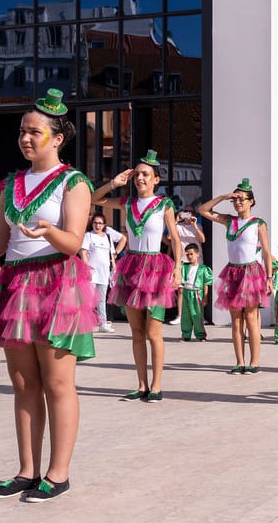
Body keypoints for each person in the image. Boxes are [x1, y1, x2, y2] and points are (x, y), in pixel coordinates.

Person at [0, 88, 98, 503]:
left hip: (58, 283)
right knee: (23, 382)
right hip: (17, 285)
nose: (26, 138)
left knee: (58, 382)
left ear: (58, 137)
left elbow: (74, 242)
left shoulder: (73, 182)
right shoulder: (11, 184)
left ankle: (57, 473)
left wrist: (49, 231)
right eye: (22, 132)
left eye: (34, 132)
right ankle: (27, 470)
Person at [92, 149, 181, 403]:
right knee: (137, 333)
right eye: (138, 174)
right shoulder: (127, 202)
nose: (140, 178)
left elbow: (174, 237)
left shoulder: (164, 204)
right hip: (131, 267)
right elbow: (94, 199)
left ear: (156, 180)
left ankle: (156, 385)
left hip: (156, 268)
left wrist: (177, 267)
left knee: (154, 332)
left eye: (146, 174)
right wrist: (113, 183)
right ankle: (141, 384)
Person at [199, 178, 274, 375]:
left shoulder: (258, 223)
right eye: (235, 199)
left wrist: (269, 277)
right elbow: (203, 210)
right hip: (233, 272)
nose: (238, 202)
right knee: (236, 320)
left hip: (251, 272)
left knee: (250, 317)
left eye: (242, 199)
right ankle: (239, 361)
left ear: (252, 201)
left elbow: (266, 252)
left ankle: (254, 362)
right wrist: (223, 197)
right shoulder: (228, 220)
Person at [166, 206, 206, 325]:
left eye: (190, 212)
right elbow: (169, 237)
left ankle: (199, 316)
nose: (188, 214)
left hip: (196, 262)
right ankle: (180, 316)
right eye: (185, 212)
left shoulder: (197, 226)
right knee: (181, 290)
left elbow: (203, 239)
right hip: (182, 261)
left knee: (198, 290)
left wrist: (194, 225)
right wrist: (176, 220)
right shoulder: (178, 227)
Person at [80, 213, 119, 333]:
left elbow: (111, 254)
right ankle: (86, 323)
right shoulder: (88, 236)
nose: (97, 225)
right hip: (92, 272)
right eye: (95, 223)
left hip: (104, 273)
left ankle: (103, 323)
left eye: (100, 223)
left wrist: (114, 266)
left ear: (104, 225)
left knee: (101, 299)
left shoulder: (107, 237)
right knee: (88, 298)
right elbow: (83, 252)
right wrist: (86, 269)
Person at [179, 243, 213, 341]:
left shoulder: (203, 269)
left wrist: (205, 297)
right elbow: (177, 266)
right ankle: (186, 334)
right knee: (186, 315)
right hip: (186, 292)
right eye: (187, 255)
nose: (189, 256)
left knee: (197, 314)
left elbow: (206, 283)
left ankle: (200, 334)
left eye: (191, 254)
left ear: (197, 254)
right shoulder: (184, 266)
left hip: (197, 293)